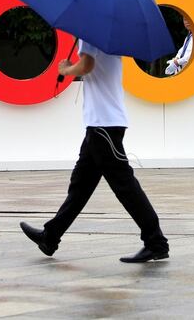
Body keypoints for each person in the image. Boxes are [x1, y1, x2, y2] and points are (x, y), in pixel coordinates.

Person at [20, 40, 169, 263]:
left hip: (103, 125)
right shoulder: (107, 35)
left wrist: (66, 69)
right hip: (100, 125)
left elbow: (87, 65)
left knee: (125, 185)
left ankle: (156, 243)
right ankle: (50, 237)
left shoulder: (89, 35)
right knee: (80, 186)